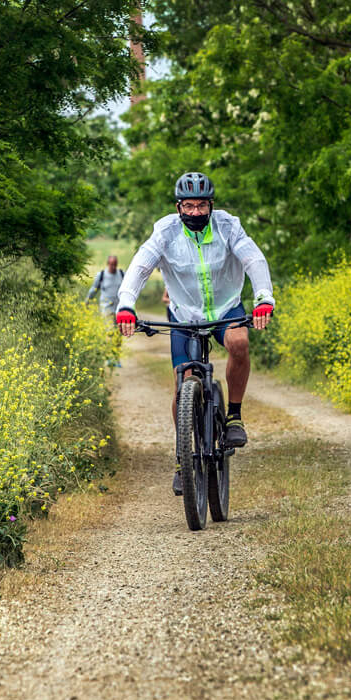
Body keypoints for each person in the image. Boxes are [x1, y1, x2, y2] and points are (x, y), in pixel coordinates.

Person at [114, 172, 275, 495]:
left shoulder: (229, 226)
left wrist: (263, 298)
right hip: (184, 314)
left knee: (239, 342)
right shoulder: (165, 232)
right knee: (185, 379)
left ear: (211, 205)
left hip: (226, 308)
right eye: (190, 206)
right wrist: (126, 305)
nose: (196, 212)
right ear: (179, 207)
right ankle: (182, 457)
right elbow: (140, 267)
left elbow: (253, 259)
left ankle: (233, 418)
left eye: (202, 205)